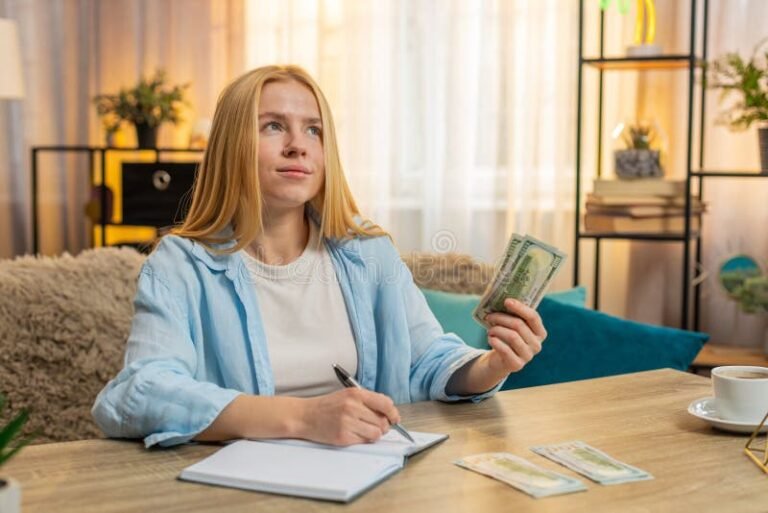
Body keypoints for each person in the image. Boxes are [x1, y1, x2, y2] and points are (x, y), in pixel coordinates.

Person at [92, 65, 547, 448]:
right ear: (232, 145)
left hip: (369, 477)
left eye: (314, 129)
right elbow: (140, 392)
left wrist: (492, 365)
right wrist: (304, 418)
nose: (299, 144)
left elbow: (427, 358)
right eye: (273, 126)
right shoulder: (180, 264)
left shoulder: (369, 252)